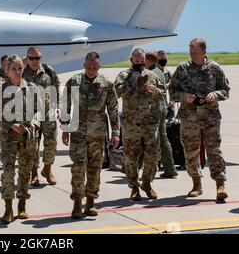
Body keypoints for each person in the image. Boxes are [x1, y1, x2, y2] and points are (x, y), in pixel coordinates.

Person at [170, 38, 230, 201]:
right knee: (190, 152)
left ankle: (220, 184)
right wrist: (184, 96)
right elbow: (172, 91)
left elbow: (225, 90)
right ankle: (196, 184)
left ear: (204, 52)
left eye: (196, 52)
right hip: (189, 118)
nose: (193, 55)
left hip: (210, 117)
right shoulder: (183, 68)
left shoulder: (214, 68)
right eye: (191, 52)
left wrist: (215, 94)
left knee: (214, 151)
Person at [62, 52, 120, 219]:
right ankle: (76, 202)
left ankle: (90, 202)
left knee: (95, 169)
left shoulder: (106, 84)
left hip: (98, 134)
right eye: (88, 67)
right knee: (78, 168)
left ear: (99, 67)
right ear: (84, 65)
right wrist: (65, 129)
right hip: (78, 133)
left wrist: (116, 132)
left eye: (94, 68)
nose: (91, 70)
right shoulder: (74, 82)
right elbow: (65, 105)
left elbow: (113, 109)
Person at [114, 48, 165, 201]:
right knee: (131, 157)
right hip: (131, 125)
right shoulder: (124, 75)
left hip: (149, 123)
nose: (139, 64)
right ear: (132, 61)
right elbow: (117, 92)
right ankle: (134, 187)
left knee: (153, 155)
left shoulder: (152, 76)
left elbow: (163, 95)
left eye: (142, 62)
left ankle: (147, 182)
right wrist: (132, 80)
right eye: (136, 61)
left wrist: (154, 91)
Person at [0, 55, 41, 224]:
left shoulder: (31, 88)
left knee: (25, 172)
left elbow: (39, 110)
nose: (17, 72)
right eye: (14, 69)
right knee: (8, 172)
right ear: (7, 71)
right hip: (9, 137)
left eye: (20, 68)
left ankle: (22, 205)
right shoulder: (1, 90)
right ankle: (8, 207)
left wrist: (35, 123)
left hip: (27, 136)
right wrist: (10, 125)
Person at [23, 46, 61, 186]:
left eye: (37, 58)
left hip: (48, 112)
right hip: (30, 114)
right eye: (31, 58)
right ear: (27, 58)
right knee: (33, 145)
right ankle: (34, 174)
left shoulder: (48, 71)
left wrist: (57, 106)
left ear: (41, 58)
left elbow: (56, 88)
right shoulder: (21, 72)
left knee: (51, 142)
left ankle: (47, 169)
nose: (34, 61)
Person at [146, 52, 178, 179]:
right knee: (163, 137)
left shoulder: (150, 72)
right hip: (161, 108)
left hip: (154, 109)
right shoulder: (160, 71)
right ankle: (170, 168)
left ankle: (152, 169)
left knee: (153, 139)